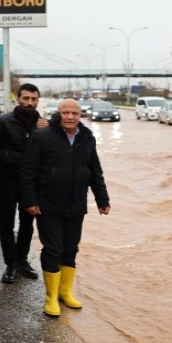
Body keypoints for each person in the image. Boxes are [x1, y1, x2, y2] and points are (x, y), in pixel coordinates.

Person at [21, 99, 110, 318]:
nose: (70, 117)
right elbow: (27, 171)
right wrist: (30, 201)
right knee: (53, 249)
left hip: (76, 203)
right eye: (65, 112)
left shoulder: (87, 137)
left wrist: (102, 199)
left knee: (71, 249)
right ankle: (51, 297)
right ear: (58, 114)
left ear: (80, 115)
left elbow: (95, 171)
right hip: (48, 204)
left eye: (75, 113)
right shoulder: (42, 137)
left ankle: (65, 292)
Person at [0, 82, 48, 283]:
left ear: (38, 101)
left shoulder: (43, 125)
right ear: (18, 99)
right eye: (26, 98)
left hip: (32, 182)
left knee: (27, 222)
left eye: (34, 99)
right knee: (6, 222)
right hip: (8, 178)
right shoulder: (3, 121)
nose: (29, 102)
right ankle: (11, 263)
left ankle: (22, 260)